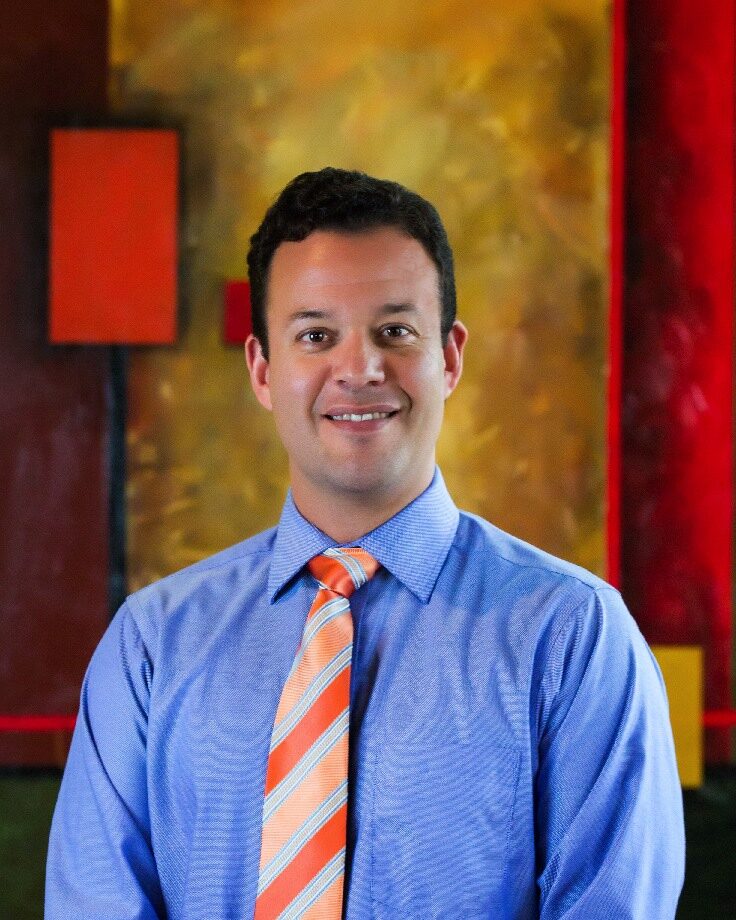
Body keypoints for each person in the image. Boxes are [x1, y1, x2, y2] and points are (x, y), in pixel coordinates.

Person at [46, 168, 685, 919]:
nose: (359, 369)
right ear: (262, 369)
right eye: (316, 336)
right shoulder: (151, 648)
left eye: (395, 332)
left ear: (449, 357)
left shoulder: (573, 638)